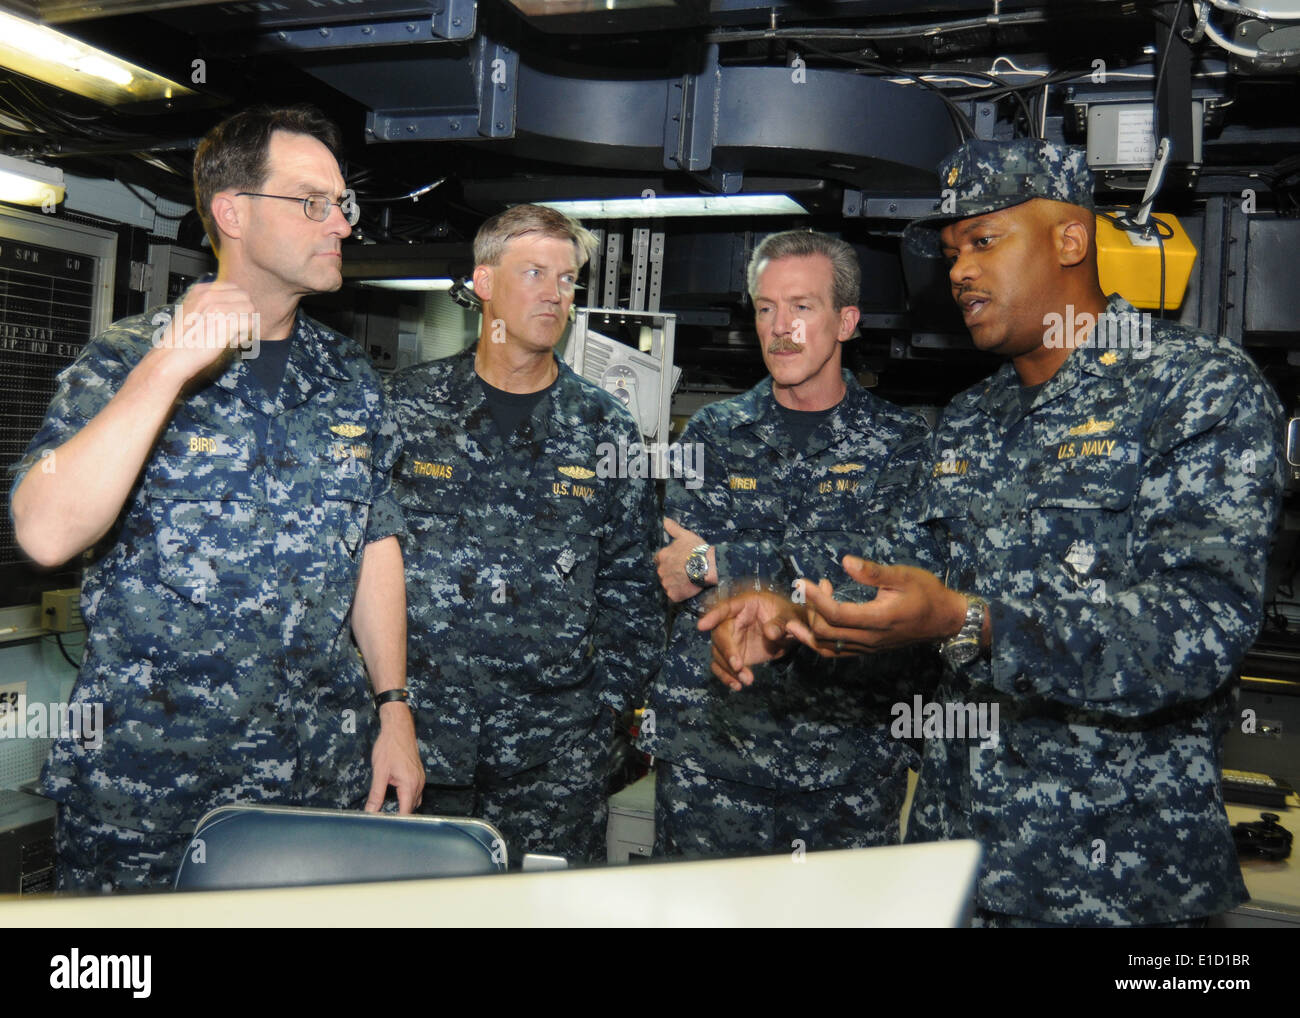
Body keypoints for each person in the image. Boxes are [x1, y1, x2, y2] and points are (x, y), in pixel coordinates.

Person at [703, 139, 1283, 926]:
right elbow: (890, 580)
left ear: (1070, 241)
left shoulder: (1195, 389)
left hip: (1116, 886)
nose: (960, 272)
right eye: (950, 253)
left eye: (984, 241)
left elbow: (1200, 631)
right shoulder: (972, 418)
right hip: (957, 869)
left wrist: (970, 622)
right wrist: (795, 617)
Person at [9, 105, 423, 893]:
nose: (340, 223)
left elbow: (374, 546)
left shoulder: (348, 379)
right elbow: (44, 532)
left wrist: (394, 707)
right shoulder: (125, 359)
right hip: (149, 801)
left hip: (316, 786)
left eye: (343, 204)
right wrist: (167, 370)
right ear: (232, 212)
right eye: (313, 202)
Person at [641, 230, 931, 858]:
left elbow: (886, 587)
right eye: (767, 308)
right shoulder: (714, 432)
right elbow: (677, 570)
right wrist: (708, 564)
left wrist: (728, 560)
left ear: (845, 321)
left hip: (846, 766)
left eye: (802, 307)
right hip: (713, 761)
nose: (781, 328)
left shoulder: (901, 444)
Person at [386, 204, 661, 865]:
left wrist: (600, 718)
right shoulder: (403, 410)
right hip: (417, 742)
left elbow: (635, 588)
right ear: (483, 282)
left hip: (555, 761)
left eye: (567, 280)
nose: (554, 294)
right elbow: (357, 562)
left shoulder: (606, 429)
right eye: (534, 272)